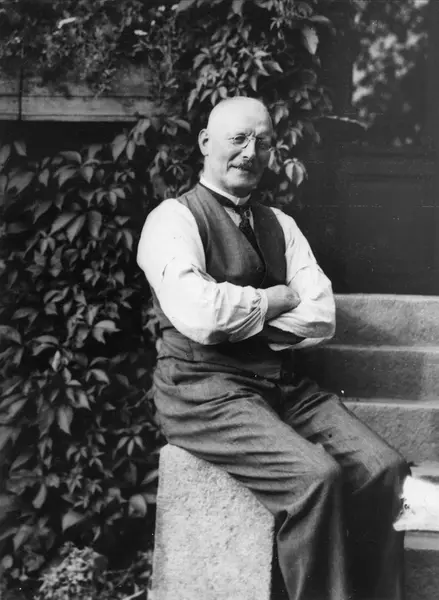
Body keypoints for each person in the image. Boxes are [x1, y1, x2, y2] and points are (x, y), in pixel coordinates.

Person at [137, 96, 410, 600]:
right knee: (315, 478)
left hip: (282, 385)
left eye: (262, 142)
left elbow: (321, 316)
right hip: (203, 391)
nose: (250, 152)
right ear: (206, 143)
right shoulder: (171, 220)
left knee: (384, 470)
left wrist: (242, 321)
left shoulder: (279, 224)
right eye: (238, 139)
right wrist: (274, 300)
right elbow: (201, 316)